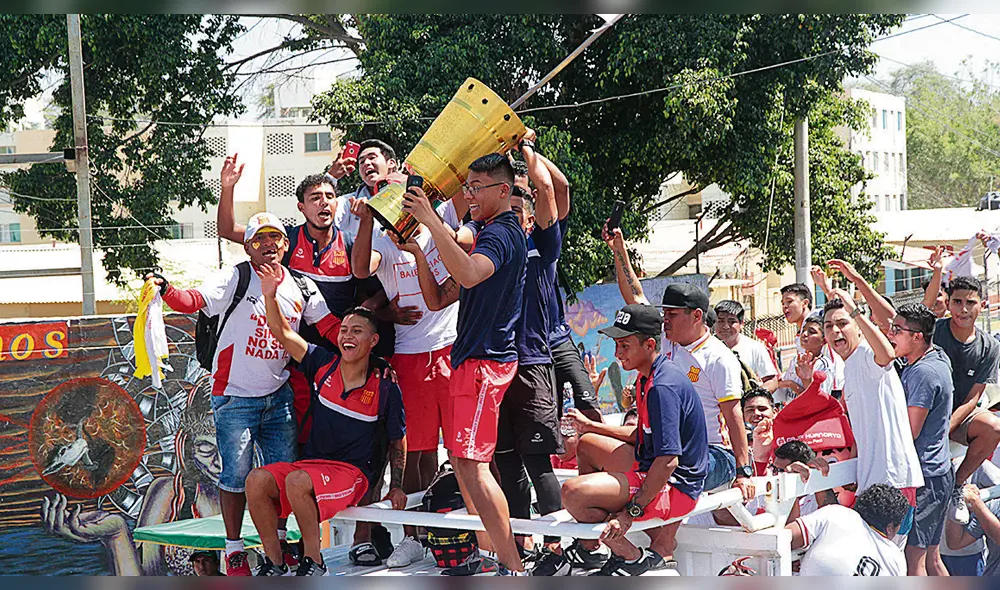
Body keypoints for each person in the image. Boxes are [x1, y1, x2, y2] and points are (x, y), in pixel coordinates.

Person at [148, 213, 340, 575]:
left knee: (281, 476)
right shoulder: (235, 277)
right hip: (234, 396)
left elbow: (329, 326)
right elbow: (193, 301)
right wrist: (166, 288)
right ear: (248, 246)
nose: (269, 245)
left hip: (278, 393)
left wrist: (362, 350)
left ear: (286, 245)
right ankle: (234, 549)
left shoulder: (301, 284)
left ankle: (280, 546)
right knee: (235, 477)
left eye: (276, 239)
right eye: (259, 240)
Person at [400, 153, 528, 576]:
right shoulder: (488, 232)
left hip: (485, 363)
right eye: (467, 186)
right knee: (462, 463)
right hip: (471, 361)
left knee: (472, 466)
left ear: (503, 191)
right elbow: (438, 299)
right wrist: (419, 249)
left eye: (476, 187)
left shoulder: (504, 234)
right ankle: (488, 551)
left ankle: (512, 566)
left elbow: (470, 274)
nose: (468, 195)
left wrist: (432, 224)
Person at [246, 281, 406, 577]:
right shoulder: (323, 363)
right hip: (310, 469)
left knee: (296, 479)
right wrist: (269, 295)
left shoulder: (385, 385)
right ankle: (275, 563)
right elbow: (282, 333)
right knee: (256, 479)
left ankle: (314, 562)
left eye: (357, 331)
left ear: (372, 341)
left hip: (353, 475)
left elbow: (398, 440)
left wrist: (396, 484)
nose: (347, 335)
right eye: (344, 329)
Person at [348, 177, 462, 569]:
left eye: (400, 186)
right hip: (410, 355)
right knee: (417, 450)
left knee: (467, 450)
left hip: (452, 347)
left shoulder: (441, 217)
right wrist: (365, 220)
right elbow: (360, 268)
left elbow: (464, 227)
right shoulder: (382, 235)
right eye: (384, 189)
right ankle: (417, 537)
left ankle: (477, 532)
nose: (396, 194)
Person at [604, 230, 754, 507]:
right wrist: (618, 249)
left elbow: (733, 418)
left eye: (672, 315)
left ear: (697, 316)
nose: (665, 321)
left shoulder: (718, 358)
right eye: (664, 314)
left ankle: (643, 535)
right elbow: (635, 296)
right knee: (599, 449)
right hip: (667, 448)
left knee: (659, 466)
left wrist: (744, 471)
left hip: (710, 454)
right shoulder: (663, 338)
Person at [560, 304, 708, 576]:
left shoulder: (662, 386)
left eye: (625, 345)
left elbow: (668, 461)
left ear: (650, 344)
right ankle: (589, 546)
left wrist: (630, 513)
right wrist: (591, 426)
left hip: (675, 486)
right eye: (617, 344)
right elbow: (641, 435)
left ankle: (630, 555)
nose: (617, 353)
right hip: (654, 467)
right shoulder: (648, 377)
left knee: (573, 493)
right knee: (587, 443)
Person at [480, 137, 570, 576]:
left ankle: (556, 547)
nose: (514, 216)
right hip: (495, 366)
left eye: (521, 210)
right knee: (506, 461)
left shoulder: (543, 246)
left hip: (532, 364)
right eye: (508, 209)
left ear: (531, 216)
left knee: (538, 461)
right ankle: (520, 543)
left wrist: (527, 154)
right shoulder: (488, 245)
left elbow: (552, 190)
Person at [819, 290, 924, 507]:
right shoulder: (849, 366)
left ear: (858, 326)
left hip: (893, 482)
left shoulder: (866, 353)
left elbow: (887, 354)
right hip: (870, 484)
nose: (835, 330)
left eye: (842, 323)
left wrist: (855, 311)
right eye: (828, 326)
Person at [888, 304, 954, 576]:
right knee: (931, 559)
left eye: (897, 330)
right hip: (938, 473)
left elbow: (910, 430)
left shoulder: (923, 373)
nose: (891, 334)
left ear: (917, 337)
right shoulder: (936, 355)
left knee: (913, 559)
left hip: (925, 478)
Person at [931, 276, 1000, 525]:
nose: (963, 309)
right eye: (957, 301)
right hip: (921, 414)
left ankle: (957, 485)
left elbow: (973, 399)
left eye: (970, 302)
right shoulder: (934, 331)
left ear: (981, 305)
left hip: (958, 418)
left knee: (994, 427)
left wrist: (945, 428)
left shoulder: (990, 346)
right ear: (948, 304)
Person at [786, 484, 911, 576]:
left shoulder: (836, 513)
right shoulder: (897, 560)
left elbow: (784, 538)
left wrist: (794, 558)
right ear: (890, 528)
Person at [713, 300, 777, 383]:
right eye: (721, 321)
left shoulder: (756, 348)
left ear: (741, 323)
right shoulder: (706, 347)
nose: (725, 326)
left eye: (732, 322)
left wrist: (756, 396)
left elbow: (771, 381)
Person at [921, 246, 948, 319]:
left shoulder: (957, 321)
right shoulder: (920, 321)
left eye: (938, 295)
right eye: (930, 295)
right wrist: (937, 270)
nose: (933, 299)